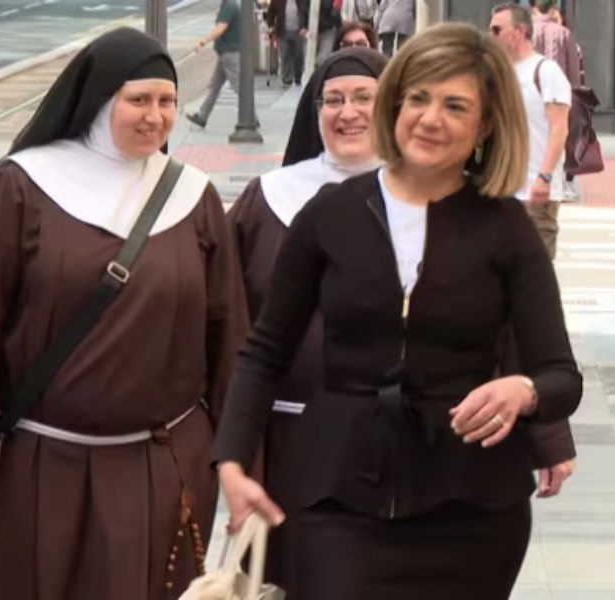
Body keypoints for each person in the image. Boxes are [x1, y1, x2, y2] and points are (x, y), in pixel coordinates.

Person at [212, 22, 582, 599]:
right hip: (336, 497)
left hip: (473, 510)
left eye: (455, 105)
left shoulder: (508, 230)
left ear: (485, 125)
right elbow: (263, 352)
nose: (431, 118)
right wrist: (231, 460)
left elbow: (561, 375)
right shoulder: (329, 214)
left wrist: (523, 393)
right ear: (398, 104)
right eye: (419, 98)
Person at [0, 27, 246, 600]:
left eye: (167, 101)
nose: (156, 117)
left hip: (161, 468)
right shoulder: (24, 187)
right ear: (99, 101)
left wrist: (234, 458)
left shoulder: (193, 197)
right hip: (43, 467)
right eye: (138, 100)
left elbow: (231, 338)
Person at [227, 46, 388, 594]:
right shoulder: (269, 198)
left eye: (365, 98)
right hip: (287, 443)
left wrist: (546, 433)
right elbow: (221, 312)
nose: (348, 112)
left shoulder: (434, 200)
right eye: (334, 99)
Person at [490, 2, 571, 260]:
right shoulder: (504, 73)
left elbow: (560, 128)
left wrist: (544, 177)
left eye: (497, 29)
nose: (491, 36)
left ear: (520, 31)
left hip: (536, 192)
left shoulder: (546, 71)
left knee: (536, 270)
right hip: (507, 190)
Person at [187, 0, 245, 128]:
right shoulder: (230, 5)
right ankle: (202, 116)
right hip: (225, 54)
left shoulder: (230, 6)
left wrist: (203, 41)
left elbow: (221, 28)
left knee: (239, 87)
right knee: (214, 86)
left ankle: (250, 118)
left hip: (230, 54)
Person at [530, 0, 580, 88]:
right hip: (557, 91)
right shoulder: (564, 33)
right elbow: (573, 72)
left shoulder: (528, 32)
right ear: (552, 9)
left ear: (535, 9)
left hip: (532, 90)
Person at [265, 0, 310, 87]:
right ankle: (287, 78)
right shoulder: (277, 1)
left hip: (298, 31)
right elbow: (270, 13)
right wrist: (271, 26)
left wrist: (305, 26)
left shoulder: (301, 1)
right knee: (285, 55)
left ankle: (298, 77)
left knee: (299, 55)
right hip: (283, 31)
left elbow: (306, 13)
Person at [315, 0, 341, 65]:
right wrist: (303, 26)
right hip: (312, 29)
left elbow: (335, 11)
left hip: (328, 29)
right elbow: (304, 9)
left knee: (323, 58)